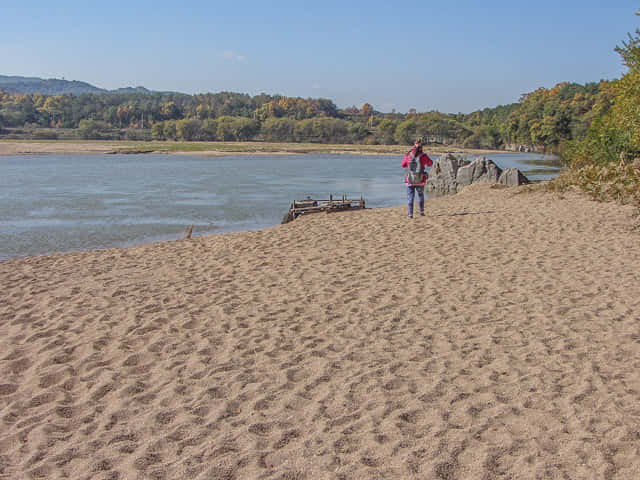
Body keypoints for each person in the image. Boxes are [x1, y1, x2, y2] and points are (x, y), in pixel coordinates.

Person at [401, 138, 433, 218]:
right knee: (420, 195)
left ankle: (410, 214)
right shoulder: (423, 156)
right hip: (420, 179)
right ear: (422, 147)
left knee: (410, 196)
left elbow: (403, 165)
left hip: (409, 179)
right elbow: (430, 163)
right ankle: (421, 212)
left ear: (414, 145)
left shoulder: (408, 154)